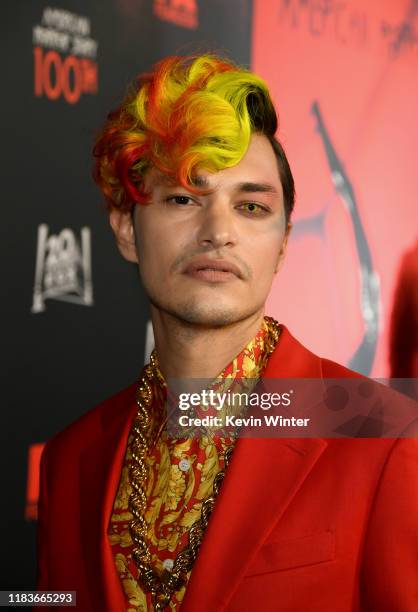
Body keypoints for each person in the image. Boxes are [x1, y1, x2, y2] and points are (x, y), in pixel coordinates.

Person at [36, 54, 418, 611]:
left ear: (284, 241)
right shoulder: (69, 461)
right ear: (125, 228)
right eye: (185, 198)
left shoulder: (383, 434)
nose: (218, 232)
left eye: (251, 206)